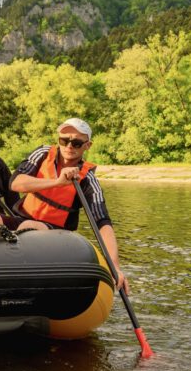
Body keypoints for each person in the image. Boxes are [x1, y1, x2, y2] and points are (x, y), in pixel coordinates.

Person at [10, 118, 129, 293]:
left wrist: (115, 266)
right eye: (64, 140)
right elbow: (16, 183)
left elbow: (102, 222)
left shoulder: (88, 179)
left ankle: (25, 288)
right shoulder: (43, 153)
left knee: (29, 227)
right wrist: (57, 182)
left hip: (56, 234)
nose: (69, 146)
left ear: (87, 145)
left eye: (76, 143)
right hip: (23, 219)